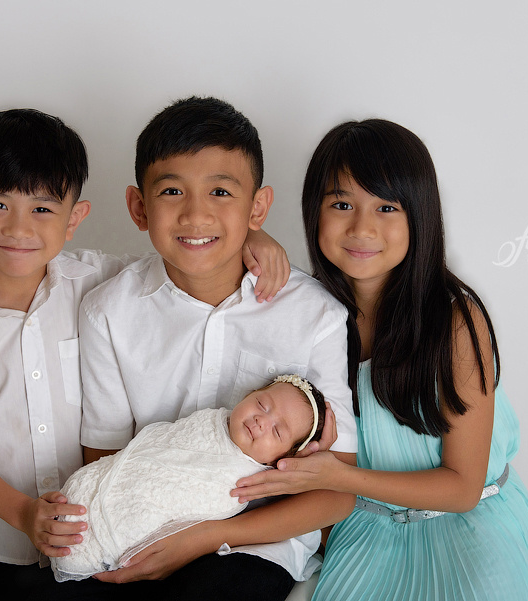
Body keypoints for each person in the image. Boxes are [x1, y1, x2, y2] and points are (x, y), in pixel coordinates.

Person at [0, 108, 289, 601]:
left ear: (75, 219)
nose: (20, 229)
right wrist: (24, 515)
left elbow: (190, 254)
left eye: (43, 209)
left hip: (89, 537)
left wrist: (254, 236)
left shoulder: (100, 280)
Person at [233, 119, 528, 601]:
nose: (362, 227)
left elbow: (462, 488)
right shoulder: (312, 314)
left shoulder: (454, 319)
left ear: (419, 216)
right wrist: (252, 241)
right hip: (367, 530)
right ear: (313, 213)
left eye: (387, 206)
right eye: (341, 204)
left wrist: (340, 478)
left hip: (470, 524)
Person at [78, 96, 358, 601]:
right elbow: (107, 460)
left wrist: (208, 536)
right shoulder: (108, 312)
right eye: (171, 191)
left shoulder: (315, 315)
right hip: (143, 528)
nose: (196, 213)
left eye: (221, 192)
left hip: (259, 541)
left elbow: (337, 491)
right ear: (139, 207)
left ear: (258, 208)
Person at [52, 375, 327, 583]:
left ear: (281, 458)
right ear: (250, 394)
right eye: (261, 404)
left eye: (278, 432)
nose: (261, 421)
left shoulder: (246, 481)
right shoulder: (208, 421)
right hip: (90, 486)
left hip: (124, 531)